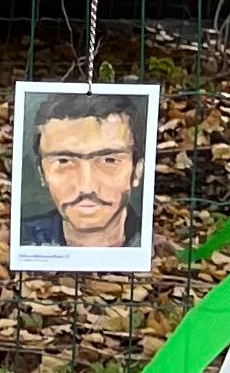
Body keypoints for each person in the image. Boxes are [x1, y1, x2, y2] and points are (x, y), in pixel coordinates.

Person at [19, 88, 149, 259]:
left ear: (137, 170)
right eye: (64, 161)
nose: (87, 187)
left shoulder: (154, 243)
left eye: (109, 160)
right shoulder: (19, 240)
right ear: (42, 173)